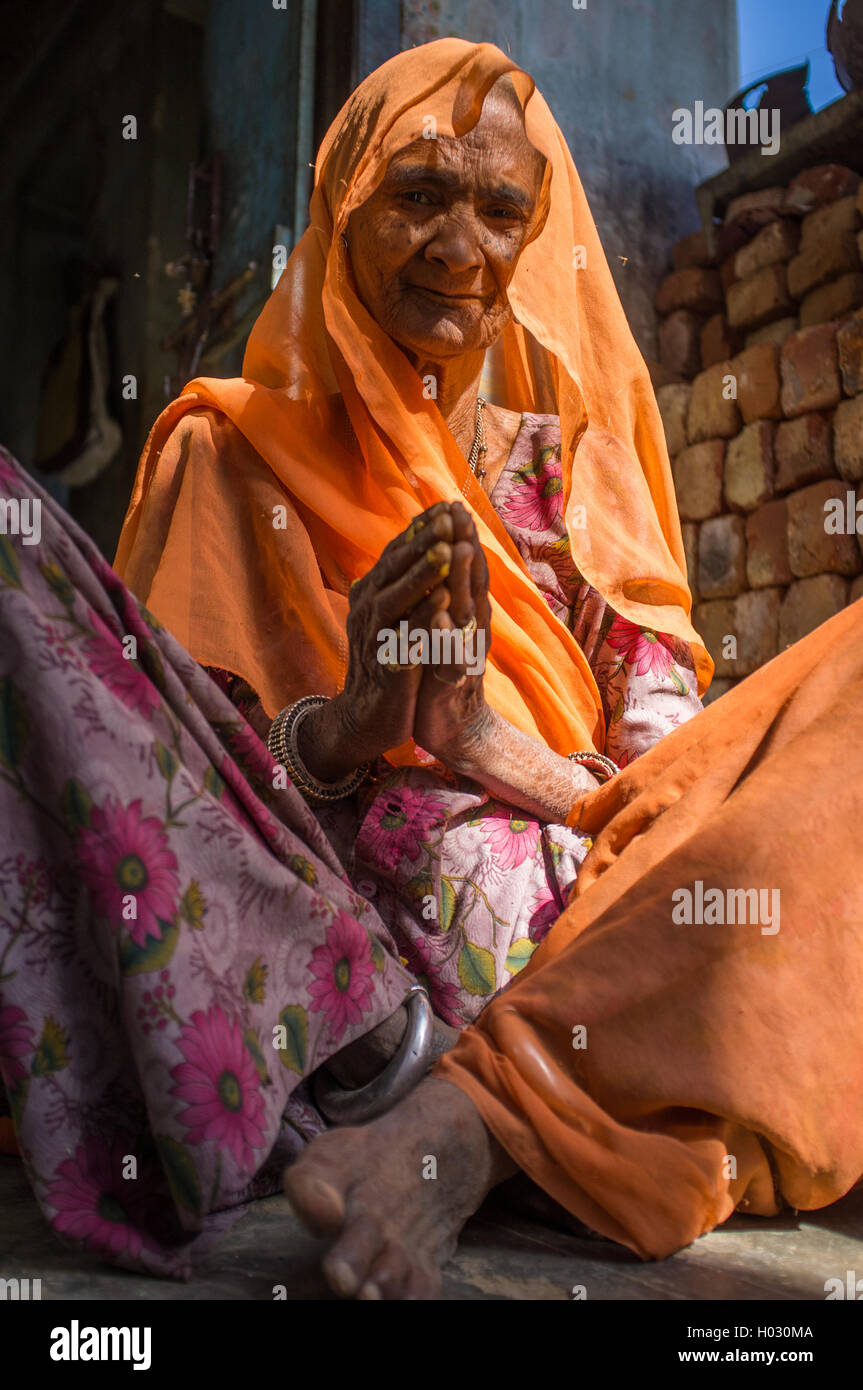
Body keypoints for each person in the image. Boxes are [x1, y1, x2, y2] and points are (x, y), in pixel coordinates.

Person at [1, 39, 860, 1298]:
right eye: (417, 195)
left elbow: (662, 782)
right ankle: (466, 1081)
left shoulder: (572, 467)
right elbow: (172, 806)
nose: (459, 245)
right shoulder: (224, 453)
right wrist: (345, 732)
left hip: (613, 925)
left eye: (499, 209)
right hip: (345, 966)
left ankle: (481, 1115)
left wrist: (482, 747)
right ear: (342, 207)